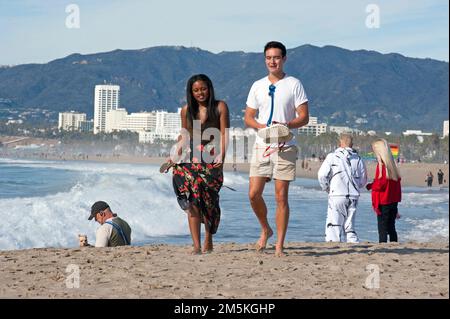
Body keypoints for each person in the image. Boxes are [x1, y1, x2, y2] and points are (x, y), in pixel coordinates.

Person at [244, 41, 309, 256]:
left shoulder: (294, 84)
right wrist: (260, 126)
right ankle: (266, 229)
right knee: (253, 194)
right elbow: (248, 117)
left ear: (284, 59)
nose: (273, 61)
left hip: (285, 146)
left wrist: (287, 125)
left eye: (277, 57)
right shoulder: (257, 85)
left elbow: (304, 117)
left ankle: (280, 246)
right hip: (262, 145)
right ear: (265, 60)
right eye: (269, 58)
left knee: (281, 197)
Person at [166, 74, 230, 254]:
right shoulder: (186, 110)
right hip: (189, 160)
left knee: (209, 202)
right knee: (191, 201)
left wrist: (222, 156)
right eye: (196, 90)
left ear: (209, 88)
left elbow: (224, 134)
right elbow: (184, 135)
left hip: (211, 159)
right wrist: (174, 154)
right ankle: (196, 245)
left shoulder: (220, 107)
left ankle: (209, 237)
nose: (200, 93)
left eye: (203, 88)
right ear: (191, 92)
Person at [317, 134, 367, 243]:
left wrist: (326, 188)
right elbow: (363, 180)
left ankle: (333, 243)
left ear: (340, 143)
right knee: (350, 224)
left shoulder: (332, 156)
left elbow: (322, 175)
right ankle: (352, 243)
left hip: (337, 194)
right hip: (353, 195)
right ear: (352, 144)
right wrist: (356, 186)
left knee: (334, 224)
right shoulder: (358, 158)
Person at [366, 139, 402, 243]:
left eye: (374, 151)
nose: (374, 153)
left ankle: (383, 247)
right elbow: (396, 185)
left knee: (382, 228)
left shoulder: (382, 166)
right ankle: (394, 244)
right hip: (393, 201)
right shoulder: (393, 165)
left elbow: (381, 183)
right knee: (391, 227)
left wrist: (371, 185)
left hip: (383, 202)